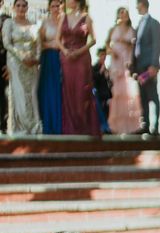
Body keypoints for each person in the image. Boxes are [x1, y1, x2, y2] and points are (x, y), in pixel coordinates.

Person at [59, 0, 99, 136]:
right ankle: (70, 128)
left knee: (82, 91)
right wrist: (64, 51)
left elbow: (94, 40)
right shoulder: (62, 17)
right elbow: (58, 40)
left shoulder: (86, 17)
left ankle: (84, 126)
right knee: (68, 91)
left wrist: (79, 51)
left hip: (81, 58)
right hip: (67, 58)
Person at [2, 0, 41, 135]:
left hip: (32, 65)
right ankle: (21, 129)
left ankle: (35, 127)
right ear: (13, 8)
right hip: (16, 63)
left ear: (27, 7)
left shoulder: (34, 26)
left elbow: (38, 46)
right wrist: (22, 56)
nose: (21, 8)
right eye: (18, 5)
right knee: (20, 96)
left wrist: (36, 59)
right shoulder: (9, 23)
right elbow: (6, 43)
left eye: (24, 5)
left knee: (32, 95)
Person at [105, 7, 141, 135]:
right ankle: (117, 127)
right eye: (121, 13)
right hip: (116, 63)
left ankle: (130, 127)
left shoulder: (132, 30)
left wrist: (125, 42)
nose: (123, 15)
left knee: (128, 93)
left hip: (127, 62)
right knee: (117, 94)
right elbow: (107, 46)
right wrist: (112, 52)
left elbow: (135, 46)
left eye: (125, 13)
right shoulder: (112, 30)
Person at [132, 0, 160, 135]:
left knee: (153, 96)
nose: (136, 7)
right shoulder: (139, 25)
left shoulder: (153, 23)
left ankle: (156, 126)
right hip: (140, 66)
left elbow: (156, 44)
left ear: (142, 5)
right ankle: (146, 125)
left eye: (137, 4)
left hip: (150, 67)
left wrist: (154, 65)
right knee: (143, 97)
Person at [38, 0, 63, 134]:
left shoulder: (65, 21)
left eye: (58, 6)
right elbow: (40, 43)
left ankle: (63, 124)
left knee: (62, 89)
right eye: (53, 6)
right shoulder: (45, 22)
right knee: (49, 89)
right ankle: (48, 123)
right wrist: (52, 45)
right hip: (49, 58)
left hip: (63, 58)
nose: (55, 8)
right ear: (49, 8)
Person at [91, 47, 112, 134]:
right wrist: (100, 72)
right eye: (101, 55)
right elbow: (93, 79)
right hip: (98, 92)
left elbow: (109, 83)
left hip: (106, 94)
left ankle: (107, 127)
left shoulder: (107, 68)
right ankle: (103, 127)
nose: (103, 57)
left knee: (107, 110)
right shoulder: (95, 67)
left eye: (104, 55)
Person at [0, 0, 10, 133]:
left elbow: (10, 44)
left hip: (2, 63)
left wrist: (10, 66)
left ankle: (3, 126)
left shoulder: (7, 20)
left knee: (3, 94)